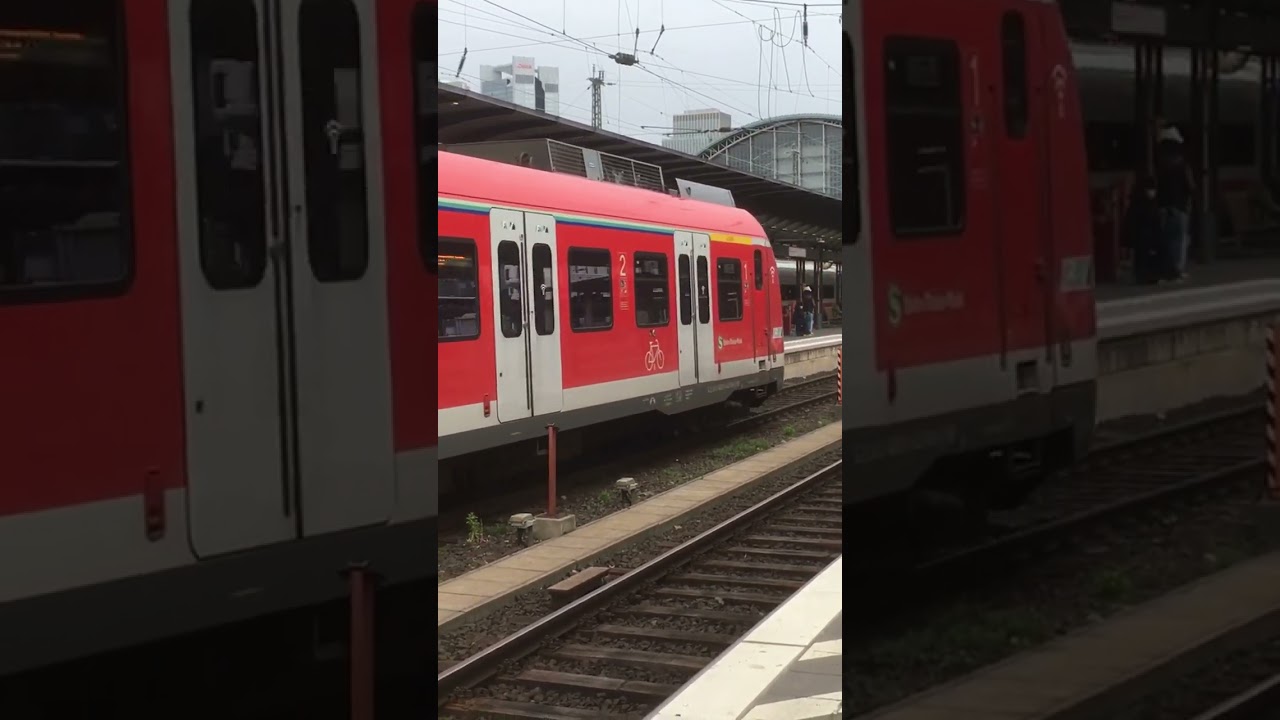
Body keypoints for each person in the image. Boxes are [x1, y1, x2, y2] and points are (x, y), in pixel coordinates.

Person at [1154, 125, 1195, 281]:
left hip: (1162, 206)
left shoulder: (1159, 164)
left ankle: (1166, 268)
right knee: (1180, 239)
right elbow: (1191, 186)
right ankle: (1177, 269)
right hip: (1180, 206)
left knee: (1165, 239)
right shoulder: (1182, 164)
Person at [1124, 175, 1164, 284]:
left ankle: (1147, 275)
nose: (1152, 192)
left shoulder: (1146, 203)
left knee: (1146, 257)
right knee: (1143, 257)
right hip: (1143, 235)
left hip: (1147, 235)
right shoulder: (1141, 204)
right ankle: (1145, 276)